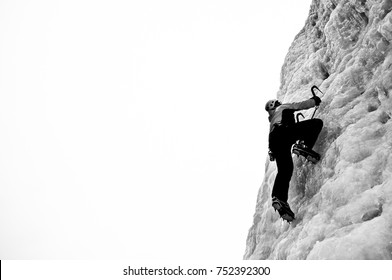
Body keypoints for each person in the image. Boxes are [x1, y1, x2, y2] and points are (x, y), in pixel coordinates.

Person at [265, 96, 323, 222]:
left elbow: (273, 142)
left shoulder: (272, 121)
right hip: (284, 132)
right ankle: (303, 146)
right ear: (276, 104)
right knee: (316, 123)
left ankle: (279, 198)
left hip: (274, 142)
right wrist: (314, 101)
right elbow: (299, 105)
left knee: (285, 170)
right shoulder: (282, 107)